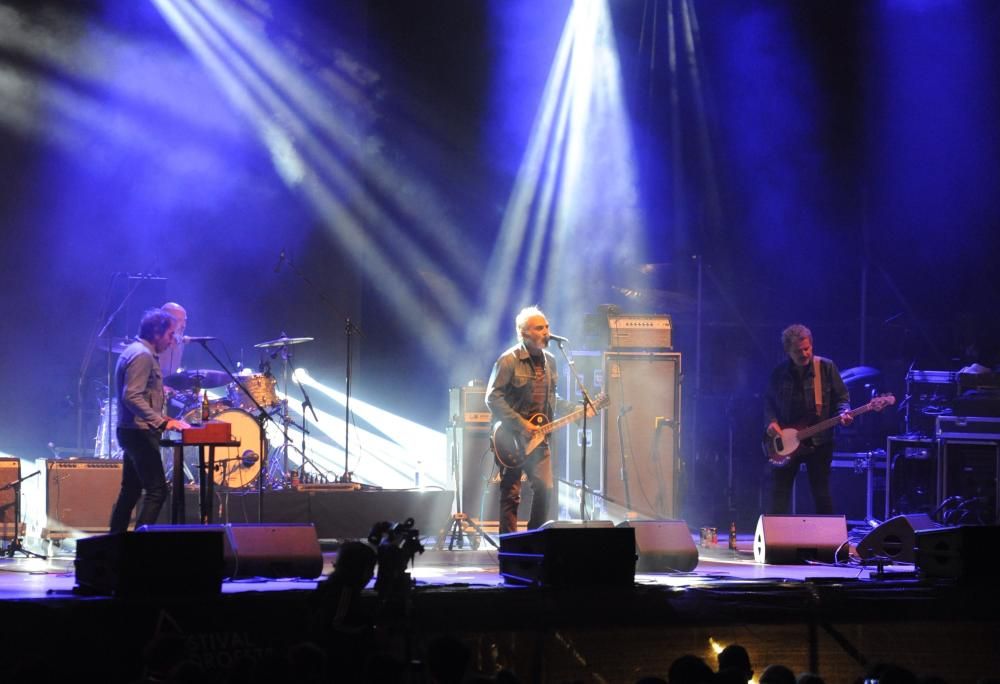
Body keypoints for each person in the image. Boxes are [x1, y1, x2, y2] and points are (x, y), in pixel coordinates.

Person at [486, 306, 588, 534]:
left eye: (547, 327)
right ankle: (509, 546)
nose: (546, 332)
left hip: (539, 438)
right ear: (524, 333)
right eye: (539, 328)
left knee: (545, 488)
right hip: (510, 437)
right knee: (511, 493)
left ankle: (533, 540)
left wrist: (576, 409)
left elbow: (552, 397)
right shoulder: (508, 360)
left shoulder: (550, 360)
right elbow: (492, 398)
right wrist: (522, 424)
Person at [108, 308, 190, 533]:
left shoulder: (135, 351)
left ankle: (114, 546)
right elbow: (131, 395)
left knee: (131, 491)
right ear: (156, 332)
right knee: (157, 491)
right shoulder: (142, 355)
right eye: (170, 334)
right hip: (139, 432)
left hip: (131, 430)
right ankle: (136, 550)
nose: (172, 340)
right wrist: (162, 422)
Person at [764, 324, 852, 514]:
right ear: (787, 351)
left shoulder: (826, 368)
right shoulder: (779, 373)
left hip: (820, 443)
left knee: (821, 493)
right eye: (798, 351)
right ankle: (776, 539)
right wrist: (771, 422)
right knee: (780, 493)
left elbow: (841, 397)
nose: (804, 354)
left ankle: (829, 541)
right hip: (787, 441)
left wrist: (844, 412)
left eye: (807, 348)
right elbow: (768, 402)